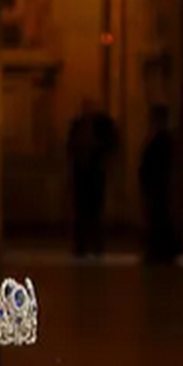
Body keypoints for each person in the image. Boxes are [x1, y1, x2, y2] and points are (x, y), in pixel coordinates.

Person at [65, 98, 119, 257]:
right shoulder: (78, 125)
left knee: (95, 211)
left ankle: (96, 246)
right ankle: (82, 246)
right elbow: (70, 146)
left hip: (96, 172)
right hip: (82, 172)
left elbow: (111, 146)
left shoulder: (102, 126)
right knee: (82, 211)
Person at [138, 105, 178, 264]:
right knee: (157, 217)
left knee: (158, 217)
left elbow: (158, 164)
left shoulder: (162, 139)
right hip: (155, 184)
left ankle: (161, 251)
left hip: (158, 185)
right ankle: (159, 250)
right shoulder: (158, 138)